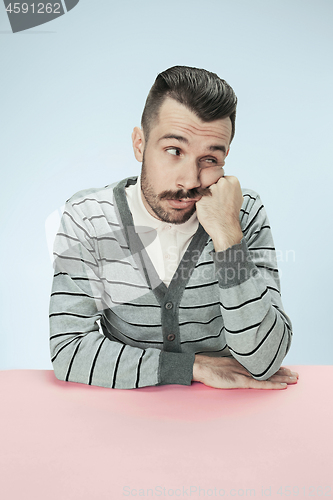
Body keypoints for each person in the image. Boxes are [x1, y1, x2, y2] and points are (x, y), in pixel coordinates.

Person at [49, 65, 298, 390]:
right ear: (140, 143)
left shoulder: (243, 212)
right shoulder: (90, 217)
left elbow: (264, 360)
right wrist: (188, 367)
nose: (190, 180)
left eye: (210, 158)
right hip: (124, 415)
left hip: (228, 414)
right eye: (174, 151)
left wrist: (228, 236)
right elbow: (69, 351)